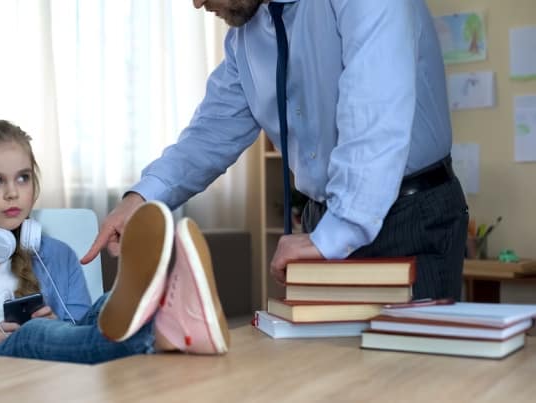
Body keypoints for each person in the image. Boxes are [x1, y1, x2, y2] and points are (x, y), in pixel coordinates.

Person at [81, 0, 468, 300]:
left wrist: (336, 234)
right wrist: (142, 197)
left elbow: (373, 116)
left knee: (411, 382)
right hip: (324, 220)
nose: (196, 3)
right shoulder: (245, 40)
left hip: (412, 220)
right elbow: (211, 133)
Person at [0, 119, 229, 364]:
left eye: (23, 177)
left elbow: (81, 326)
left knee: (102, 310)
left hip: (49, 365)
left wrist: (58, 325)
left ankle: (167, 300)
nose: (13, 191)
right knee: (31, 333)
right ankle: (164, 330)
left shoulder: (55, 254)